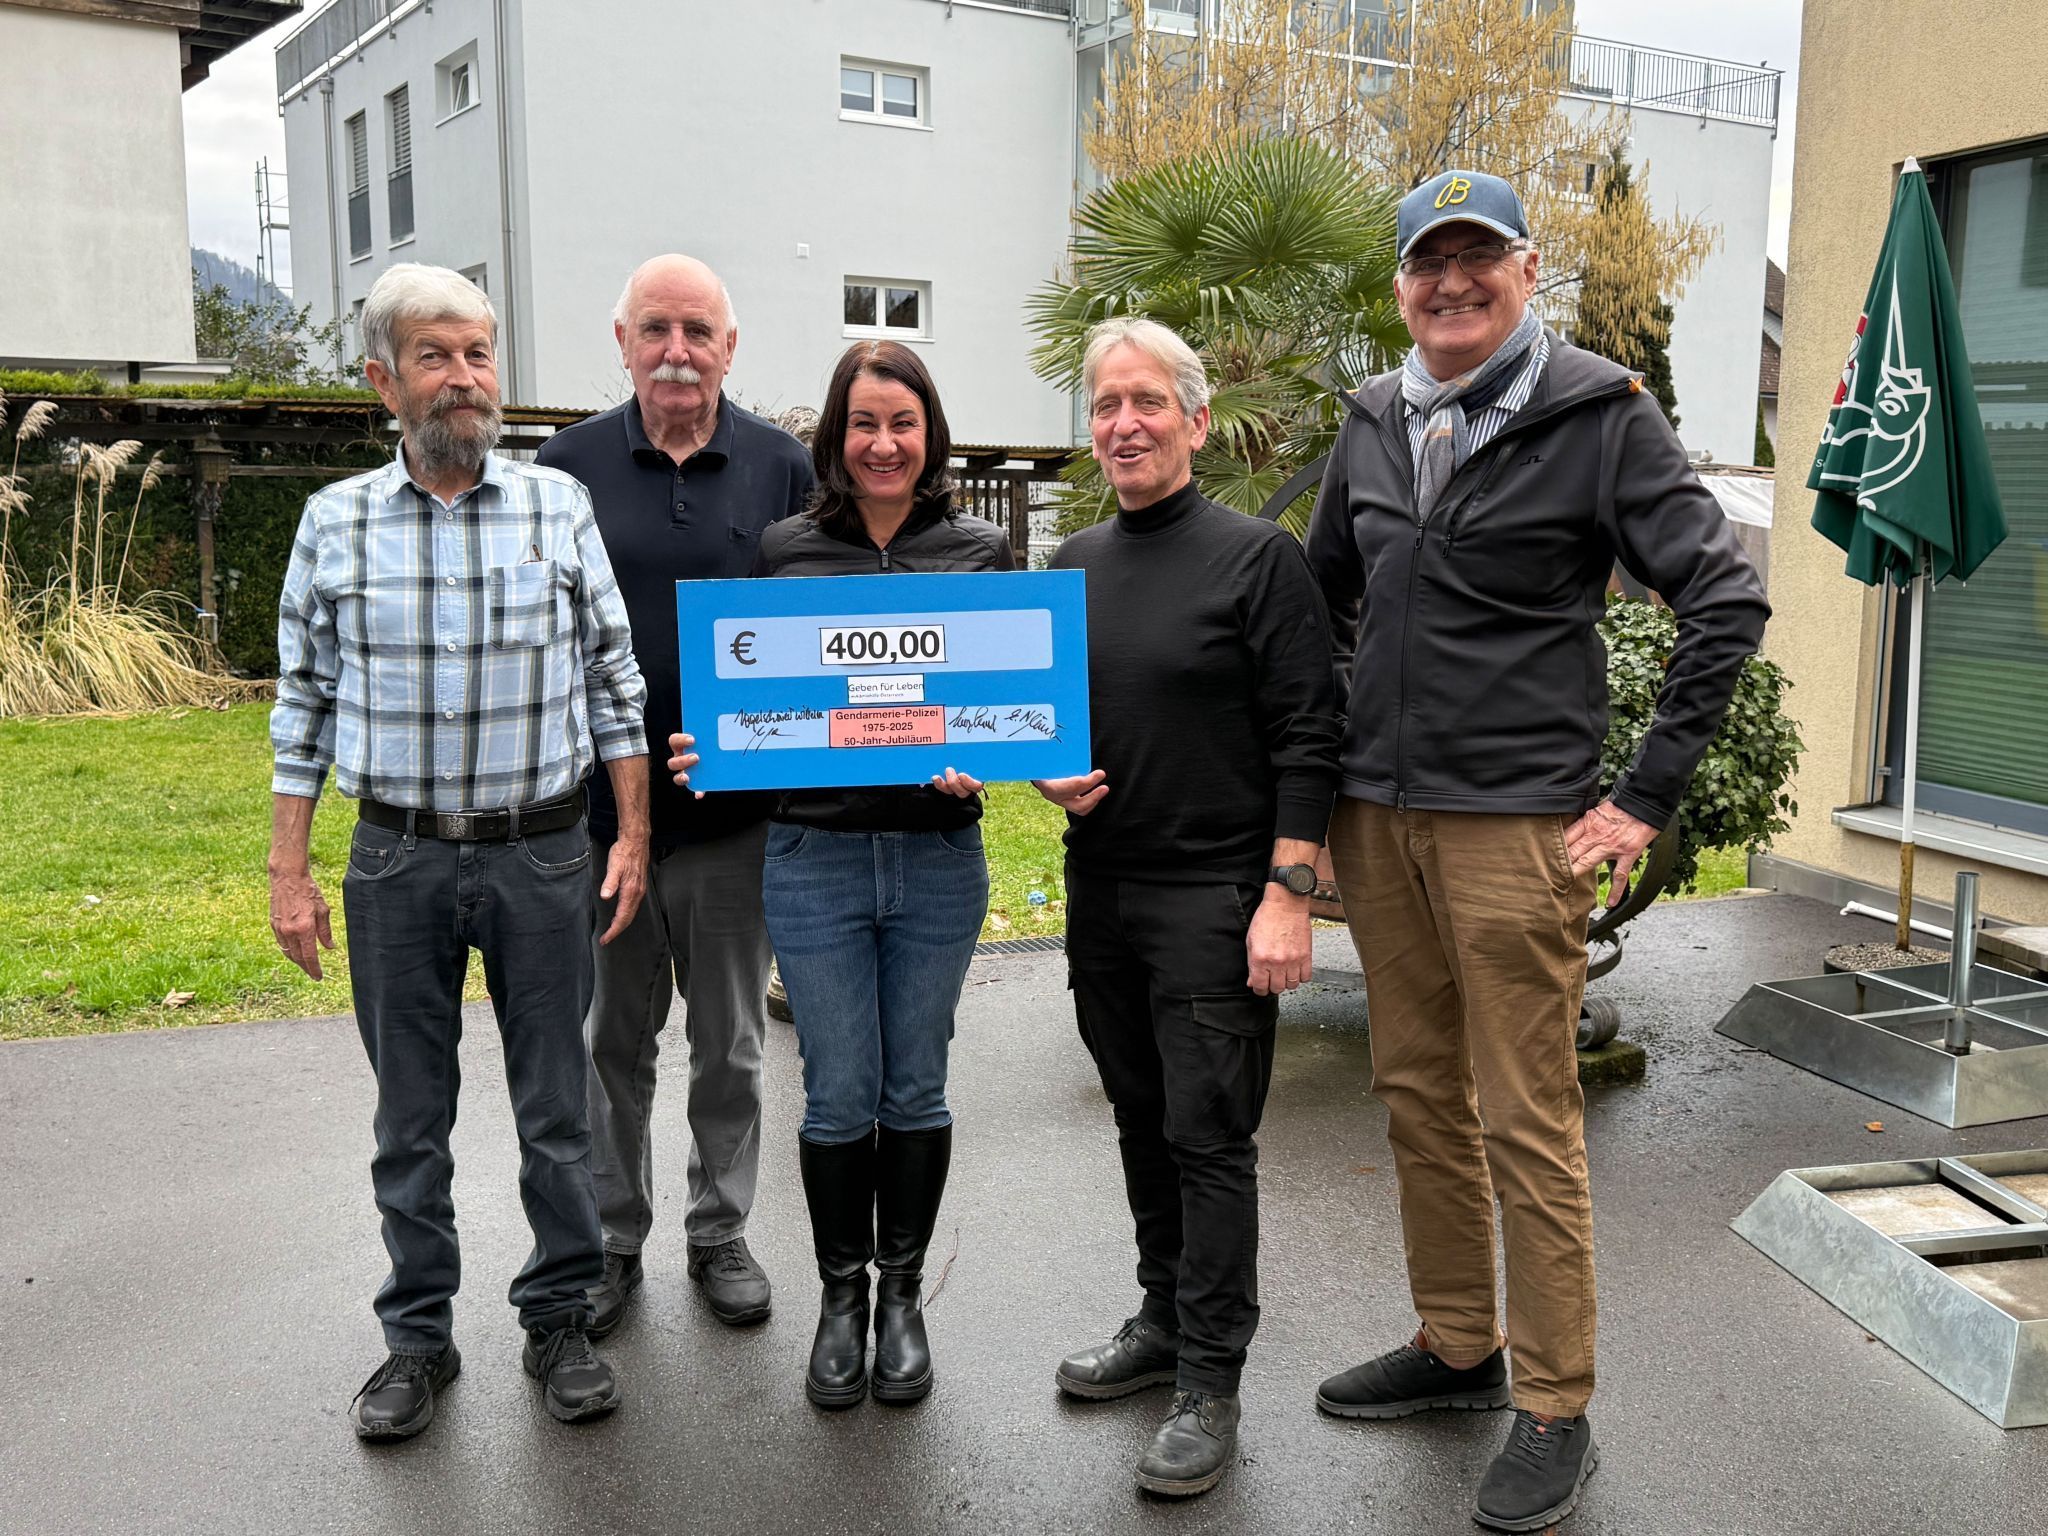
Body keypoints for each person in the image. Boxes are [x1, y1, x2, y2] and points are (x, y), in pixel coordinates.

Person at [1303, 170, 1768, 1532]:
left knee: (1526, 1117)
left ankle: (1556, 1402)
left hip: (1513, 827)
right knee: (1414, 1092)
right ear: (1401, 286)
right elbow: (1322, 600)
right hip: (1376, 819)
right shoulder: (1373, 419)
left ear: (1524, 268)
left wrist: (1642, 798)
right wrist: (1321, 780)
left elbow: (1722, 597)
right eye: (1426, 264)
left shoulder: (1599, 414)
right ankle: (1460, 1344)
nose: (1450, 284)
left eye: (1478, 259)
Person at [269, 263, 650, 1439]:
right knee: (409, 1120)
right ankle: (417, 1340)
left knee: (557, 1113)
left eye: (479, 352)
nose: (464, 377)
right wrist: (287, 872)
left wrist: (632, 836)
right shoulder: (334, 521)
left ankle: (558, 1321)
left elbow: (614, 684)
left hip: (543, 854)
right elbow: (301, 706)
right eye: (435, 355)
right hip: (397, 863)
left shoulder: (556, 506)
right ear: (382, 380)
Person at [669, 340, 1012, 1409]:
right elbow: (755, 697)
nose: (883, 443)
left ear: (930, 434)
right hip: (811, 859)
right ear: (836, 434)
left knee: (915, 1088)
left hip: (937, 859)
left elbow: (1006, 696)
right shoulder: (785, 550)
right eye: (864, 423)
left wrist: (986, 753)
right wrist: (714, 748)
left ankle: (901, 1296)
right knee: (837, 1092)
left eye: (903, 423)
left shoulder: (982, 551)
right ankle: (840, 1299)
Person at [1035, 317, 1342, 1499]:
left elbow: (1309, 735)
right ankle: (1161, 1319)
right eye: (1105, 405)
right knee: (1137, 1116)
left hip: (1215, 899)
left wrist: (1287, 895)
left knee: (1209, 1141)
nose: (1124, 424)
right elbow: (1042, 721)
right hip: (1101, 890)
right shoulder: (1069, 564)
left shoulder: (1257, 561)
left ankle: (1209, 1380)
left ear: (1195, 421)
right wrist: (1044, 776)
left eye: (1146, 402)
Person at [536, 255, 813, 1333]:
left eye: (698, 330)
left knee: (731, 1045)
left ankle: (718, 1230)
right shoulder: (565, 467)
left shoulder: (783, 467)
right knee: (609, 1045)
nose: (677, 350)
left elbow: (814, 636)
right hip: (599, 824)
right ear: (623, 342)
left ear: (730, 347)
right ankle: (612, 1239)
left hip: (734, 826)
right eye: (655, 328)